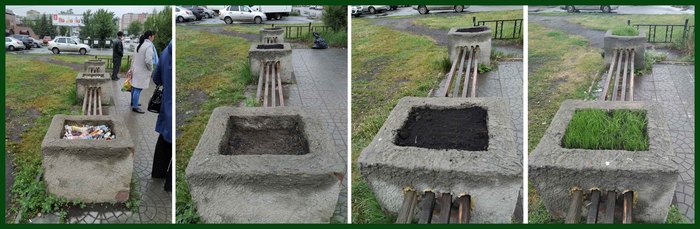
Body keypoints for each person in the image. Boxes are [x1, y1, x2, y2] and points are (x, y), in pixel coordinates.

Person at [152, 41, 172, 192]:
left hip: (167, 105)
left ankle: (157, 174)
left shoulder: (166, 51)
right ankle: (169, 186)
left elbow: (156, 78)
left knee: (164, 139)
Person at [130, 31, 157, 114]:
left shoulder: (139, 45)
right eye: (153, 36)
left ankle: (133, 102)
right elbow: (148, 60)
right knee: (138, 89)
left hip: (136, 70)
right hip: (142, 71)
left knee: (134, 87)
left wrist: (131, 69)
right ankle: (135, 107)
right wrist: (150, 69)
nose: (154, 38)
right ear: (150, 37)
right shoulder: (149, 46)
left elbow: (133, 58)